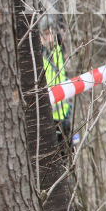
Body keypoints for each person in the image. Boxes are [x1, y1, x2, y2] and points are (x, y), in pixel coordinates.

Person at [40, 17, 72, 145]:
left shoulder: (57, 51)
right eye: (47, 34)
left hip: (64, 118)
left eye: (52, 33)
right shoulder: (36, 59)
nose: (51, 37)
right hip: (47, 121)